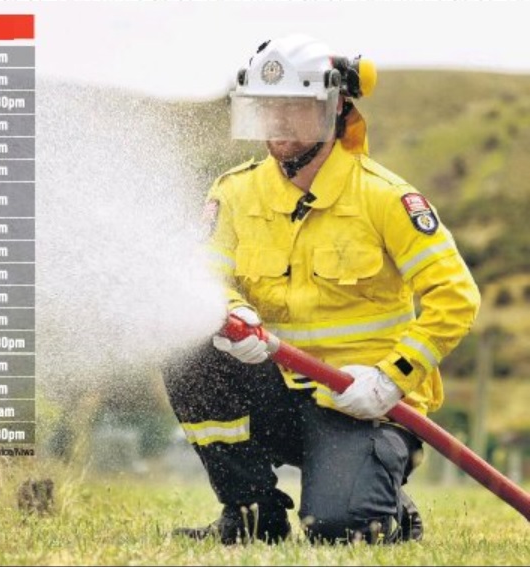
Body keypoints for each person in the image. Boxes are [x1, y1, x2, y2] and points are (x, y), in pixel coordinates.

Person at [163, 34, 481, 545]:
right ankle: (249, 514)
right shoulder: (234, 193)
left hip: (363, 404)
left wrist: (390, 379)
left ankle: (384, 499)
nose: (278, 122)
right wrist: (236, 315)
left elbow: (456, 297)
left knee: (336, 531)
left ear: (333, 109)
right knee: (185, 342)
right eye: (267, 108)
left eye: (294, 108)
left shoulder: (385, 198)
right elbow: (207, 279)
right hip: (277, 390)